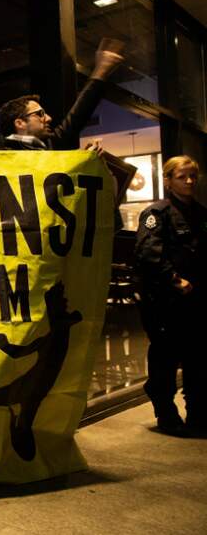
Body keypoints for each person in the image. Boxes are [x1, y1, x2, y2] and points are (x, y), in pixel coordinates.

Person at [134, 155, 207, 437]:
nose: (189, 181)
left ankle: (199, 413)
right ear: (168, 180)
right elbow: (147, 253)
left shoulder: (201, 214)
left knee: (199, 360)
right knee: (165, 360)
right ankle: (165, 413)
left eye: (192, 176)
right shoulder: (158, 213)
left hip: (198, 302)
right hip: (168, 302)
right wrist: (174, 279)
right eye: (182, 177)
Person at [0, 39, 125, 150]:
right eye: (40, 114)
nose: (49, 118)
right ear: (19, 123)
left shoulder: (49, 146)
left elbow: (76, 119)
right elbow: (74, 120)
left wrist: (84, 160)